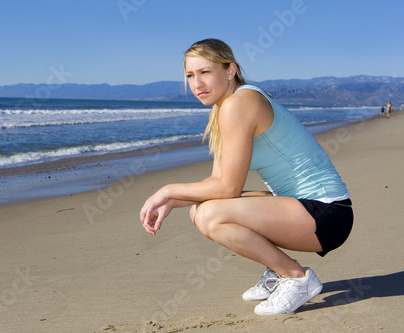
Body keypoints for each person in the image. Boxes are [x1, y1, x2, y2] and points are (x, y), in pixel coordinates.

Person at [139, 38, 353, 316]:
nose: (196, 84)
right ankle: (278, 271)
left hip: (326, 214)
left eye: (205, 72)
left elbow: (228, 188)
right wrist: (173, 201)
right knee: (198, 210)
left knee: (210, 215)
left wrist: (166, 190)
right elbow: (217, 181)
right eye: (190, 75)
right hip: (304, 208)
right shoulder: (227, 105)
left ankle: (296, 277)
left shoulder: (239, 103)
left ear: (230, 70)